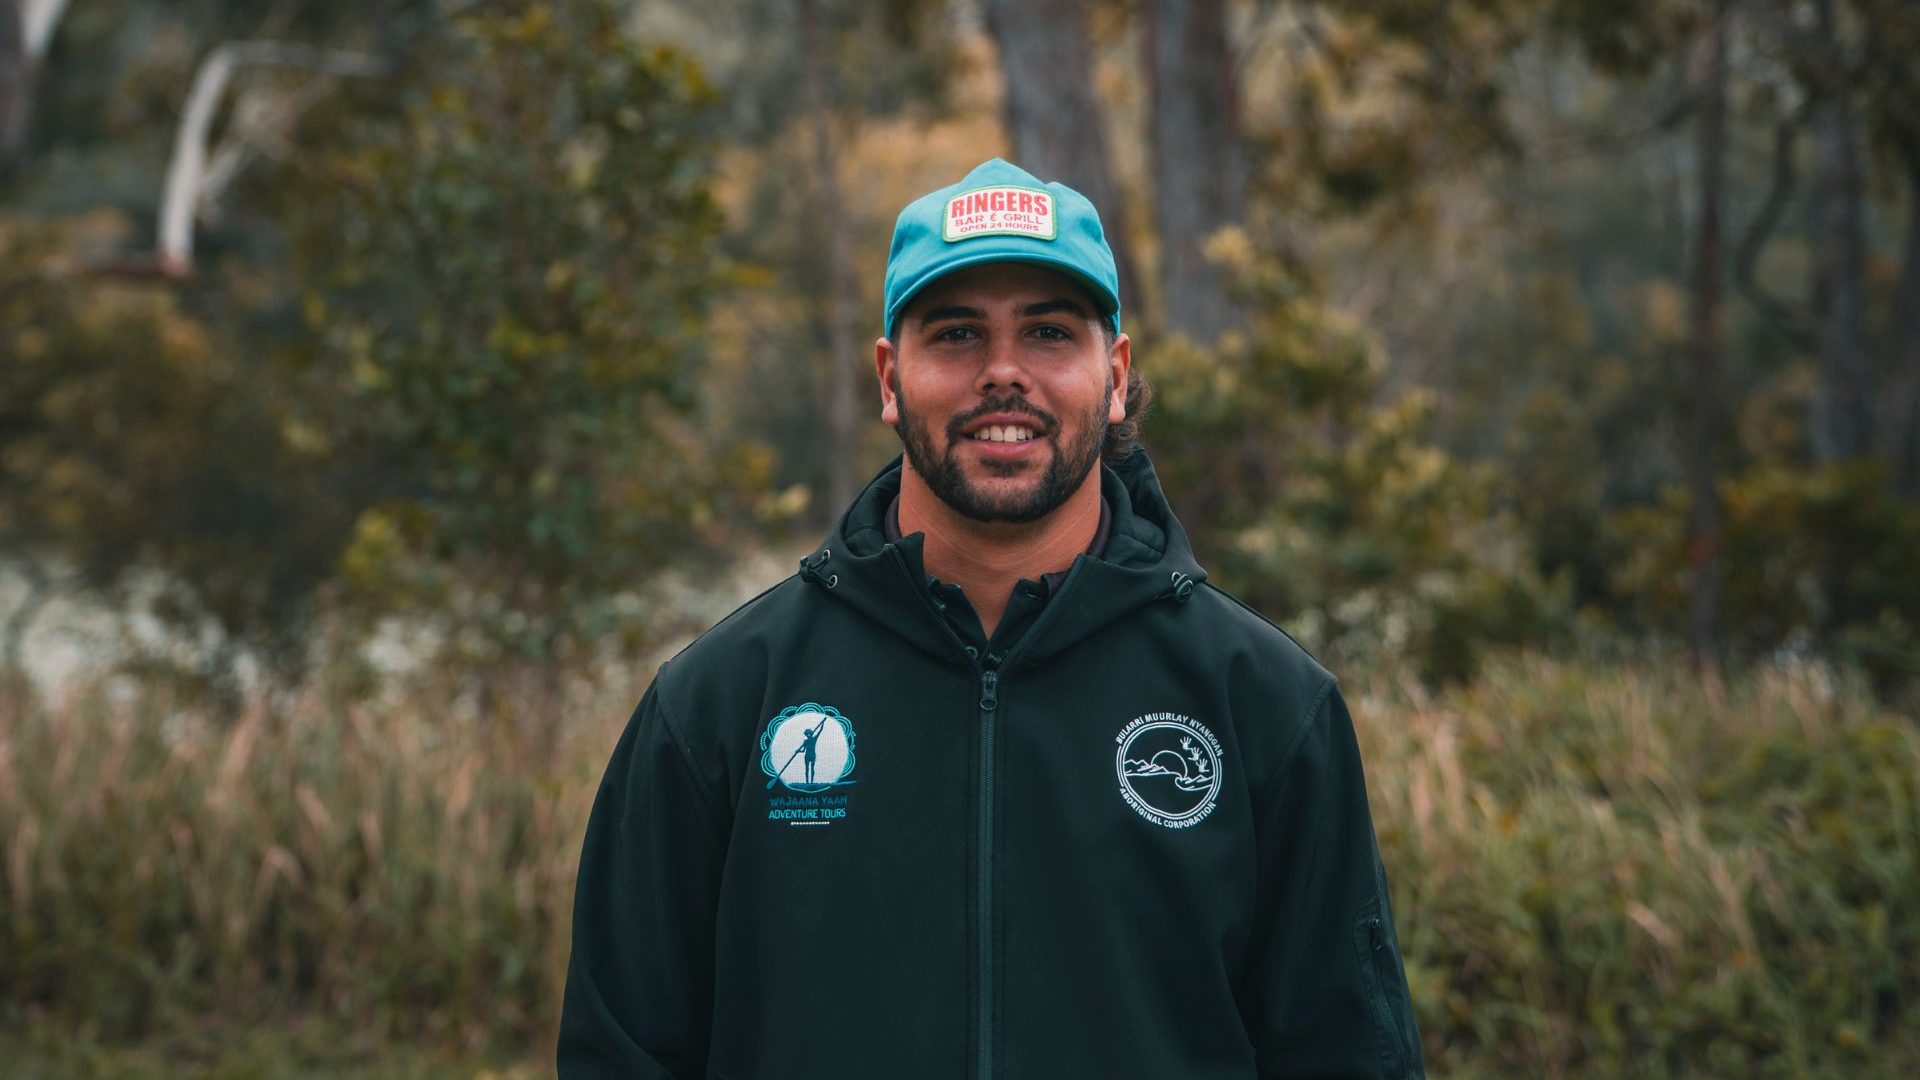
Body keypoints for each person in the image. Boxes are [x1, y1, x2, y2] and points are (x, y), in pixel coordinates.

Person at [559, 158, 1426, 1079]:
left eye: (1050, 332)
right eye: (958, 334)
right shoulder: (718, 706)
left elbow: (1351, 1057)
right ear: (891, 378)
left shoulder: (1265, 705)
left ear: (1118, 375)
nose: (1003, 374)